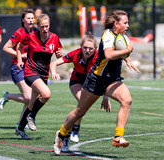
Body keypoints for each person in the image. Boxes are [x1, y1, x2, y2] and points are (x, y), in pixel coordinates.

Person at [53, 9, 140, 155]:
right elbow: (108, 54)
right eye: (125, 23)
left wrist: (127, 58)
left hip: (112, 79)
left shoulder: (121, 36)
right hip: (96, 79)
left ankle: (118, 137)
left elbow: (119, 49)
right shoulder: (108, 35)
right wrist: (126, 51)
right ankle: (61, 135)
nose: (128, 25)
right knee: (80, 111)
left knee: (127, 100)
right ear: (116, 23)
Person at [50, 32, 112, 151]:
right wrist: (53, 72)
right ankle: (75, 130)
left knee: (81, 108)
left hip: (91, 85)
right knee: (81, 104)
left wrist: (106, 97)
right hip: (76, 82)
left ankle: (65, 135)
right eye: (85, 47)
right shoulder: (76, 54)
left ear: (95, 48)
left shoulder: (99, 58)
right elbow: (54, 63)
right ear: (80, 46)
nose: (87, 50)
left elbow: (105, 77)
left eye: (90, 48)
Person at [16, 13, 63, 140]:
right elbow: (19, 46)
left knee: (31, 103)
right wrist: (20, 60)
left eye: (47, 26)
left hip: (43, 75)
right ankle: (31, 116)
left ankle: (20, 128)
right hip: (30, 72)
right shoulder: (31, 36)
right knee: (46, 94)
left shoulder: (54, 38)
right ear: (38, 26)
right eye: (42, 26)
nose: (45, 29)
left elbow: (59, 56)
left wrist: (59, 55)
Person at [0, 9, 35, 132]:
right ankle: (7, 96)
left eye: (32, 18)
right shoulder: (19, 32)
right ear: (23, 20)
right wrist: (20, 56)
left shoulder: (33, 32)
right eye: (28, 18)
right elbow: (5, 48)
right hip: (17, 67)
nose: (30, 20)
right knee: (29, 98)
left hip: (28, 68)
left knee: (30, 99)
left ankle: (21, 125)